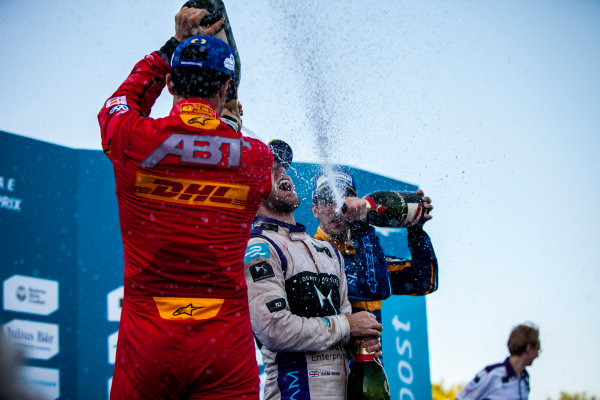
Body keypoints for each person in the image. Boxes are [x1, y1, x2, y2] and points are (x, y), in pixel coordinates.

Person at [98, 7, 272, 400]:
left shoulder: (131, 139)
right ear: (226, 89)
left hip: (148, 338)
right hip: (224, 340)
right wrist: (225, 127)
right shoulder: (257, 159)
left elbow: (119, 103)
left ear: (171, 83)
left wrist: (169, 48)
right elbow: (220, 146)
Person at [244, 141, 383, 400]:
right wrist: (346, 325)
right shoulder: (258, 246)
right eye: (270, 170)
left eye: (284, 167)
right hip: (294, 391)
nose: (283, 172)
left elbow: (345, 331)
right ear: (253, 189)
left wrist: (358, 344)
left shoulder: (329, 252)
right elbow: (274, 329)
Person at [311, 168, 438, 330]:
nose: (337, 208)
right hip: (329, 354)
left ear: (356, 203)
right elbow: (375, 288)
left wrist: (416, 231)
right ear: (315, 209)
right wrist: (360, 226)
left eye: (344, 199)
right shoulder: (309, 254)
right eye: (328, 201)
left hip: (372, 355)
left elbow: (425, 281)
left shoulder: (362, 251)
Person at [456, 322, 541, 400]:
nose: (537, 355)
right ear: (529, 348)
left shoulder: (525, 378)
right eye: (537, 350)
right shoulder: (491, 373)